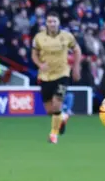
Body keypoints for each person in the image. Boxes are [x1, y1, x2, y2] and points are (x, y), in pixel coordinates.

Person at [31, 12, 82, 144]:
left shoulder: (67, 36)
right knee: (50, 110)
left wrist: (76, 68)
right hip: (45, 76)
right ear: (46, 23)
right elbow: (34, 54)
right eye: (49, 21)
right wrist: (39, 64)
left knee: (57, 102)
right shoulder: (39, 38)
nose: (52, 24)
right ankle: (63, 117)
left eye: (54, 21)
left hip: (62, 74)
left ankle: (54, 134)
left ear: (58, 22)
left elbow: (77, 50)